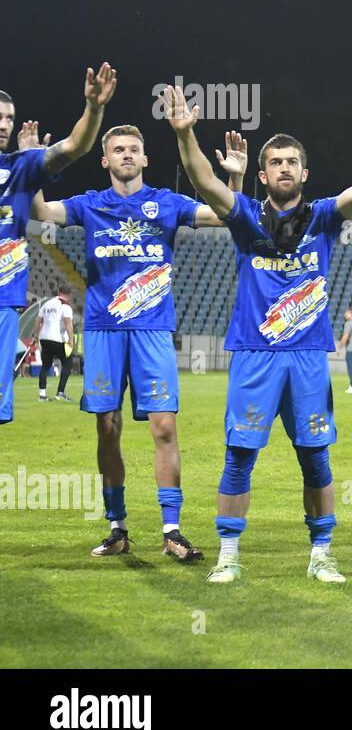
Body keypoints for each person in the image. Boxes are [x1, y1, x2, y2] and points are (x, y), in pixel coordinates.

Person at [161, 84, 352, 585]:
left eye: (292, 161)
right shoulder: (246, 218)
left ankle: (321, 552)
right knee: (240, 455)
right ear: (262, 173)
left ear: (304, 172)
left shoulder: (321, 217)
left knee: (315, 457)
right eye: (275, 162)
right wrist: (185, 135)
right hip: (255, 354)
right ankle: (228, 552)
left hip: (308, 356)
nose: (284, 168)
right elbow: (205, 181)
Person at [32, 122, 248, 560]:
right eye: (118, 149)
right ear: (105, 160)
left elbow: (225, 214)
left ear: (145, 159)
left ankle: (172, 531)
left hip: (152, 330)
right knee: (106, 428)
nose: (126, 155)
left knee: (164, 427)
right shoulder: (90, 205)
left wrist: (236, 179)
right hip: (104, 330)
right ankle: (118, 528)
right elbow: (39, 211)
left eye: (134, 149)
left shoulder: (167, 204)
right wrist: (36, 163)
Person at [0, 65, 118, 426]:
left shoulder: (20, 167)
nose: (4, 123)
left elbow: (75, 146)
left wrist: (94, 109)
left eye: (9, 118)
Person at [37, 284, 75, 402]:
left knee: (45, 366)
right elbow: (68, 322)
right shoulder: (65, 306)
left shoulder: (46, 304)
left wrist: (35, 335)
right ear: (68, 295)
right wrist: (71, 338)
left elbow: (38, 320)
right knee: (67, 363)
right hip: (57, 338)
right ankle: (60, 392)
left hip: (44, 338)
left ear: (59, 291)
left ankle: (42, 395)